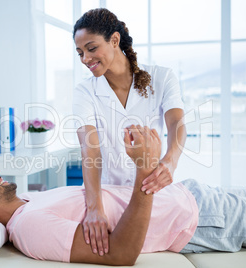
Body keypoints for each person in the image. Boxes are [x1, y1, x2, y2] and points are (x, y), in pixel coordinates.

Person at [0, 125, 246, 266]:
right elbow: (121, 254)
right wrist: (144, 167)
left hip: (187, 192)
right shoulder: (30, 228)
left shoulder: (27, 201)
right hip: (200, 220)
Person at [72, 8, 187, 255]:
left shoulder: (161, 77)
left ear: (114, 40)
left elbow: (176, 123)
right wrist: (94, 208)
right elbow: (89, 148)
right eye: (80, 52)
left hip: (151, 189)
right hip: (107, 195)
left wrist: (170, 161)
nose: (85, 59)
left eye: (91, 49)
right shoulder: (84, 92)